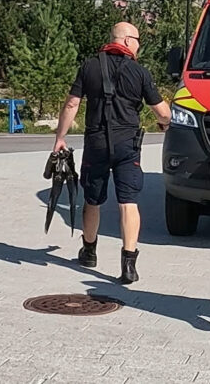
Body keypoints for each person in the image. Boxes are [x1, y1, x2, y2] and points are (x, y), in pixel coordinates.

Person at [52, 22, 171, 284]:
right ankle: (128, 265)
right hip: (127, 146)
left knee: (92, 199)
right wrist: (164, 123)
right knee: (128, 202)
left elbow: (72, 102)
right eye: (138, 39)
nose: (139, 44)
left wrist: (60, 138)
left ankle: (89, 251)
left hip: (96, 144)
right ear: (127, 40)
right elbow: (163, 112)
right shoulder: (140, 73)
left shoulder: (90, 66)